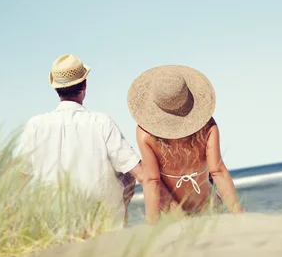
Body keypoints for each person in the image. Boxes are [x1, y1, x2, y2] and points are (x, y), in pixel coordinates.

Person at [16, 54, 178, 226]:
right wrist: (177, 212)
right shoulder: (101, 122)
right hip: (102, 223)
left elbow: (17, 180)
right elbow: (143, 175)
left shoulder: (35, 125)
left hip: (53, 225)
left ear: (56, 89)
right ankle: (121, 223)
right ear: (85, 84)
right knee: (126, 173)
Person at [127, 64, 243, 224]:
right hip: (209, 208)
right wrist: (240, 215)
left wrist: (152, 225)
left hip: (175, 216)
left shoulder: (145, 134)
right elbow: (218, 172)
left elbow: (152, 181)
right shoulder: (207, 126)